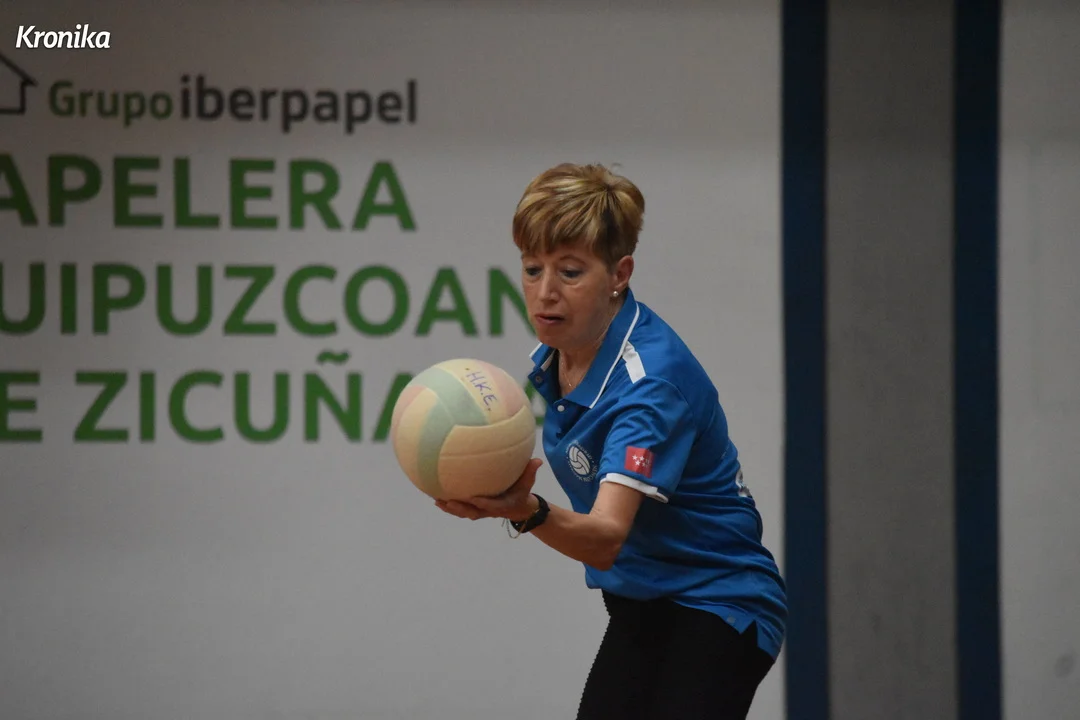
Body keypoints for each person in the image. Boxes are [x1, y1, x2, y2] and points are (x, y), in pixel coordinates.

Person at [435, 162, 787, 720]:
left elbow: (604, 538)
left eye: (570, 272)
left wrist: (524, 509)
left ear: (619, 273)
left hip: (721, 601)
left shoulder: (649, 386)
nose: (545, 293)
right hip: (642, 599)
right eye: (532, 268)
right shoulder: (558, 355)